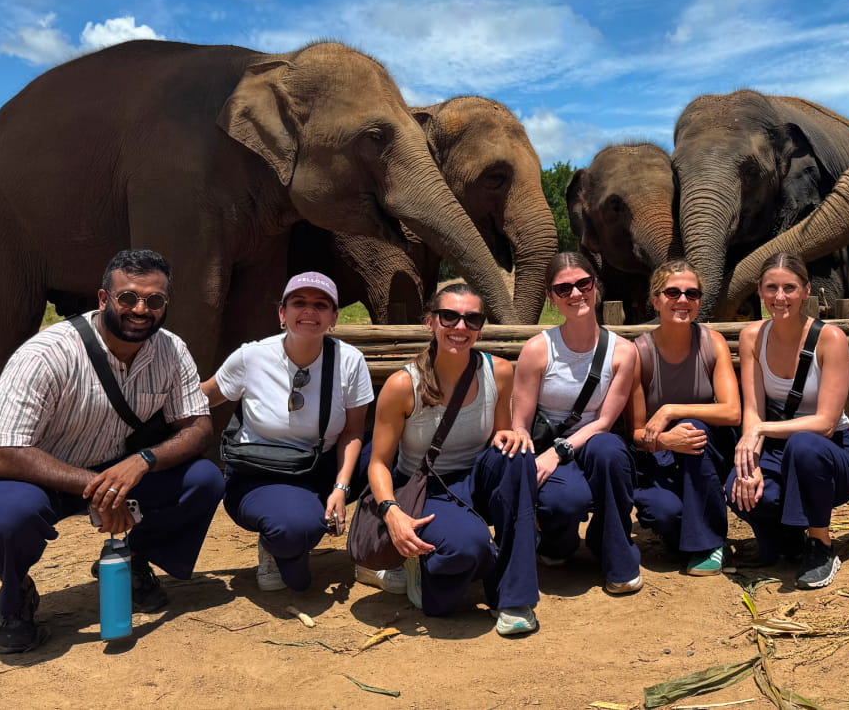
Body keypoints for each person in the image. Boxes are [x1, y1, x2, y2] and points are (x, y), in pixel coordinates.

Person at [0, 249, 224, 654]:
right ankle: (14, 597)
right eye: (128, 298)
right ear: (104, 299)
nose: (141, 309)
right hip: (37, 475)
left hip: (113, 466)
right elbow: (2, 453)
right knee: (6, 517)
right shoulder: (45, 355)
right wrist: (100, 487)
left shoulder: (172, 351)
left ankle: (134, 559)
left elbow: (198, 427)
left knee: (204, 479)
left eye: (154, 300)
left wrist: (143, 462)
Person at [363, 283, 540, 636]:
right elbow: (379, 462)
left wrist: (510, 436)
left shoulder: (499, 372)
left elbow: (499, 436)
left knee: (518, 455)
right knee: (465, 554)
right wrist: (392, 512)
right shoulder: (403, 385)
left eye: (471, 319)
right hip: (430, 489)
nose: (460, 327)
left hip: (476, 478)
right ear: (430, 322)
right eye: (450, 317)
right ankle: (427, 566)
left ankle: (514, 599)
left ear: (480, 327)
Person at [201, 271, 373, 592]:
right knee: (295, 557)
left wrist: (341, 486)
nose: (309, 311)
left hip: (321, 467)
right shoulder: (252, 357)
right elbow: (204, 397)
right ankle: (277, 541)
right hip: (262, 474)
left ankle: (373, 551)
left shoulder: (349, 361)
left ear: (334, 317)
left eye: (321, 305)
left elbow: (352, 432)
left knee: (390, 453)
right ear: (282, 313)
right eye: (299, 303)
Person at [727, 253, 849, 589]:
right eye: (771, 287)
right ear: (759, 291)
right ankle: (788, 536)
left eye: (789, 288)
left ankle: (821, 543)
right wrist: (751, 462)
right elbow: (753, 411)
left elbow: (826, 423)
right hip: (775, 449)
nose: (780, 297)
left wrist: (761, 430)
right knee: (739, 488)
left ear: (806, 292)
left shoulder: (829, 339)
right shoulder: (752, 337)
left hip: (830, 455)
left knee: (805, 445)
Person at [513, 252, 642, 594]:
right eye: (563, 288)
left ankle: (617, 556)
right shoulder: (538, 350)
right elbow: (520, 425)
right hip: (547, 445)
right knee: (564, 501)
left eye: (583, 284)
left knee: (610, 452)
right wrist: (533, 467)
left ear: (596, 286)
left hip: (593, 441)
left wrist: (561, 451)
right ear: (551, 297)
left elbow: (604, 420)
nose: (575, 294)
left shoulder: (623, 352)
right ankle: (557, 542)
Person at [627, 260, 740, 576]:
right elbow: (635, 432)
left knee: (694, 427)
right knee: (665, 514)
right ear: (656, 301)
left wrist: (672, 411)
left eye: (692, 293)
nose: (683, 300)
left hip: (707, 452)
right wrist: (665, 440)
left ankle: (710, 542)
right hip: (660, 456)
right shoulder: (640, 353)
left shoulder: (711, 343)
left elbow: (733, 412)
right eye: (672, 292)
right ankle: (689, 532)